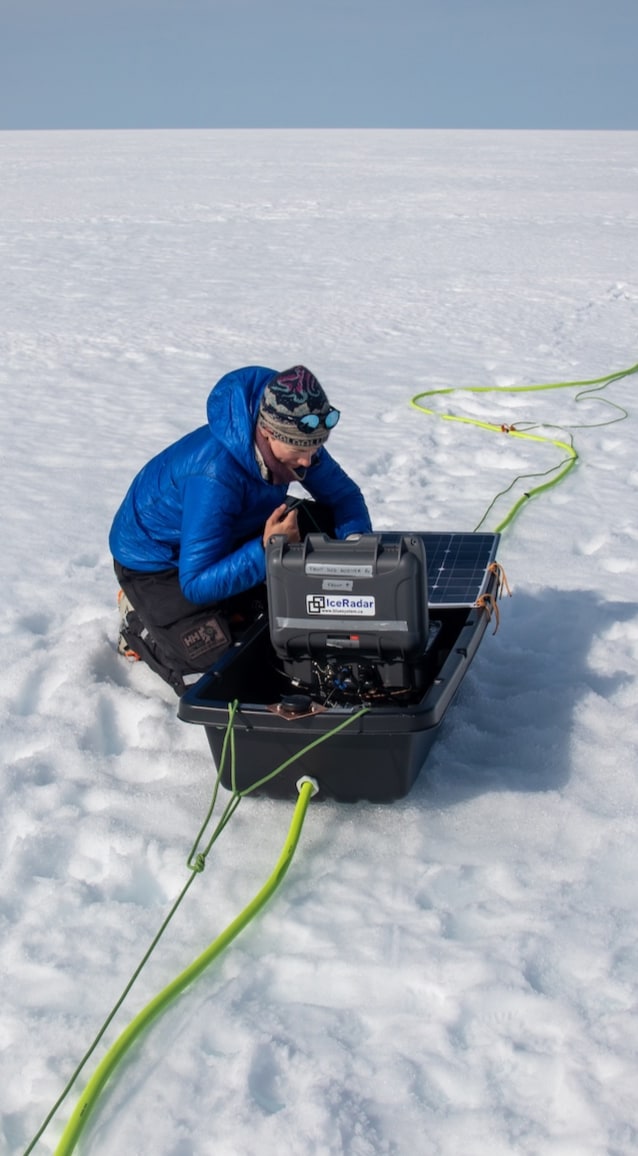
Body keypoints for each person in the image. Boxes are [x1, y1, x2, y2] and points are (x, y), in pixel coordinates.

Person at [109, 364, 372, 693]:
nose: (308, 461)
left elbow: (344, 496)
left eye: (315, 448)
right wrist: (267, 551)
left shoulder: (299, 442)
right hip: (161, 563)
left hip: (236, 524)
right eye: (301, 451)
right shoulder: (214, 475)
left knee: (325, 525)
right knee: (219, 674)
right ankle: (139, 625)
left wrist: (356, 547)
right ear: (270, 434)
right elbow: (195, 584)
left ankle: (245, 599)